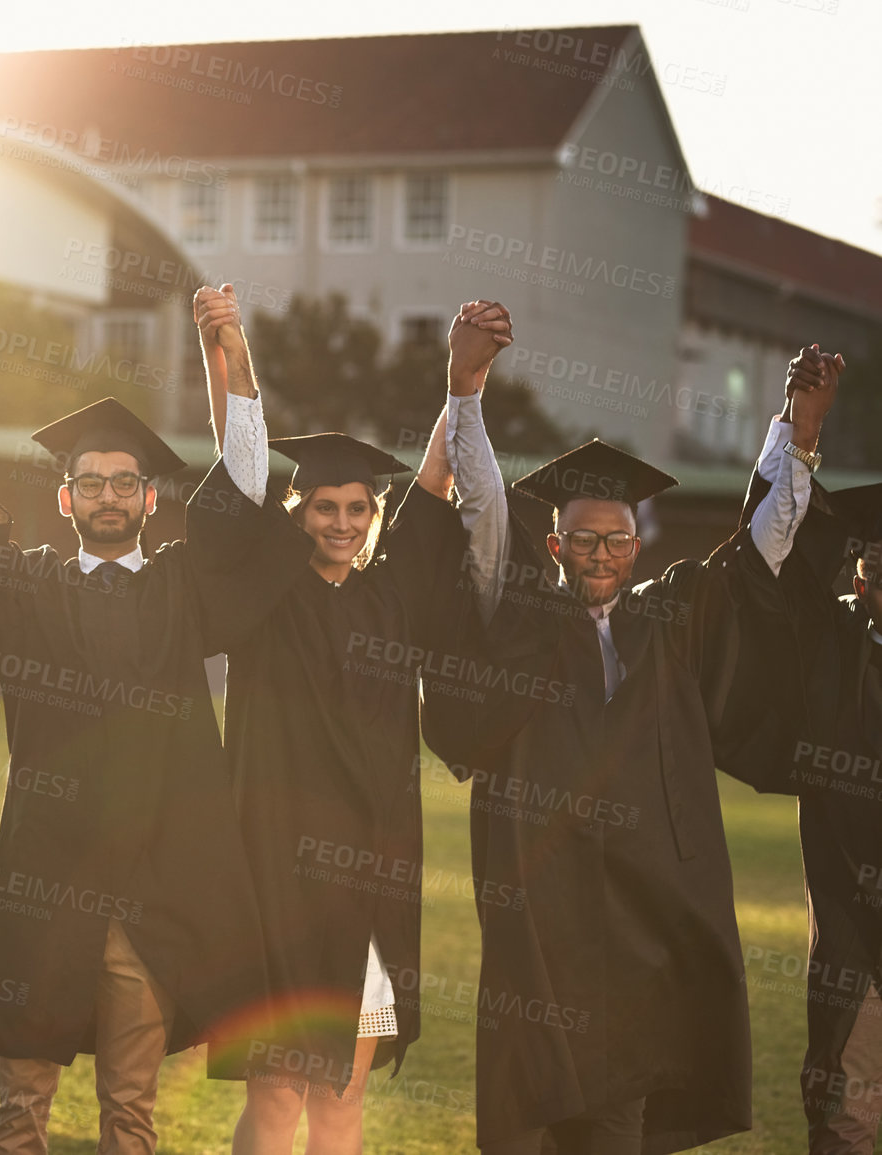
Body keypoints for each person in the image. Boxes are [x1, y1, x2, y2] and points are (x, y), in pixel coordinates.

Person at [0, 287, 312, 1154]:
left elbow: (242, 478)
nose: (110, 496)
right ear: (65, 501)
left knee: (130, 1115)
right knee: (20, 1113)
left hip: (154, 885)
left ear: (151, 499)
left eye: (126, 483)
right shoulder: (26, 591)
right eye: (91, 484)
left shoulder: (181, 587)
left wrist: (226, 354)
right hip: (49, 873)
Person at [423, 341, 830, 1153]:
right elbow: (483, 513)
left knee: (619, 1099)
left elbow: (757, 546)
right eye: (582, 540)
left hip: (646, 906)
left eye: (614, 540)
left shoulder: (669, 621)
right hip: (543, 903)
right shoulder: (521, 621)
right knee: (528, 1096)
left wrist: (797, 431)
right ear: (555, 546)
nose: (599, 554)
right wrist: (463, 394)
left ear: (636, 546)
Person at [217, 301, 512, 1154]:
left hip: (374, 884)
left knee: (340, 1100)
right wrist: (233, 360)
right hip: (274, 882)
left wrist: (461, 384)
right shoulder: (264, 596)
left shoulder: (393, 596)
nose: (341, 523)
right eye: (323, 508)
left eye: (355, 508)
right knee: (274, 1099)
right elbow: (237, 482)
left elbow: (432, 487)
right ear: (296, 510)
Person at [733, 346, 882, 1154]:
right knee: (850, 1112)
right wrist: (803, 424)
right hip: (859, 929)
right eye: (875, 567)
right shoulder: (830, 643)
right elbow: (763, 561)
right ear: (858, 576)